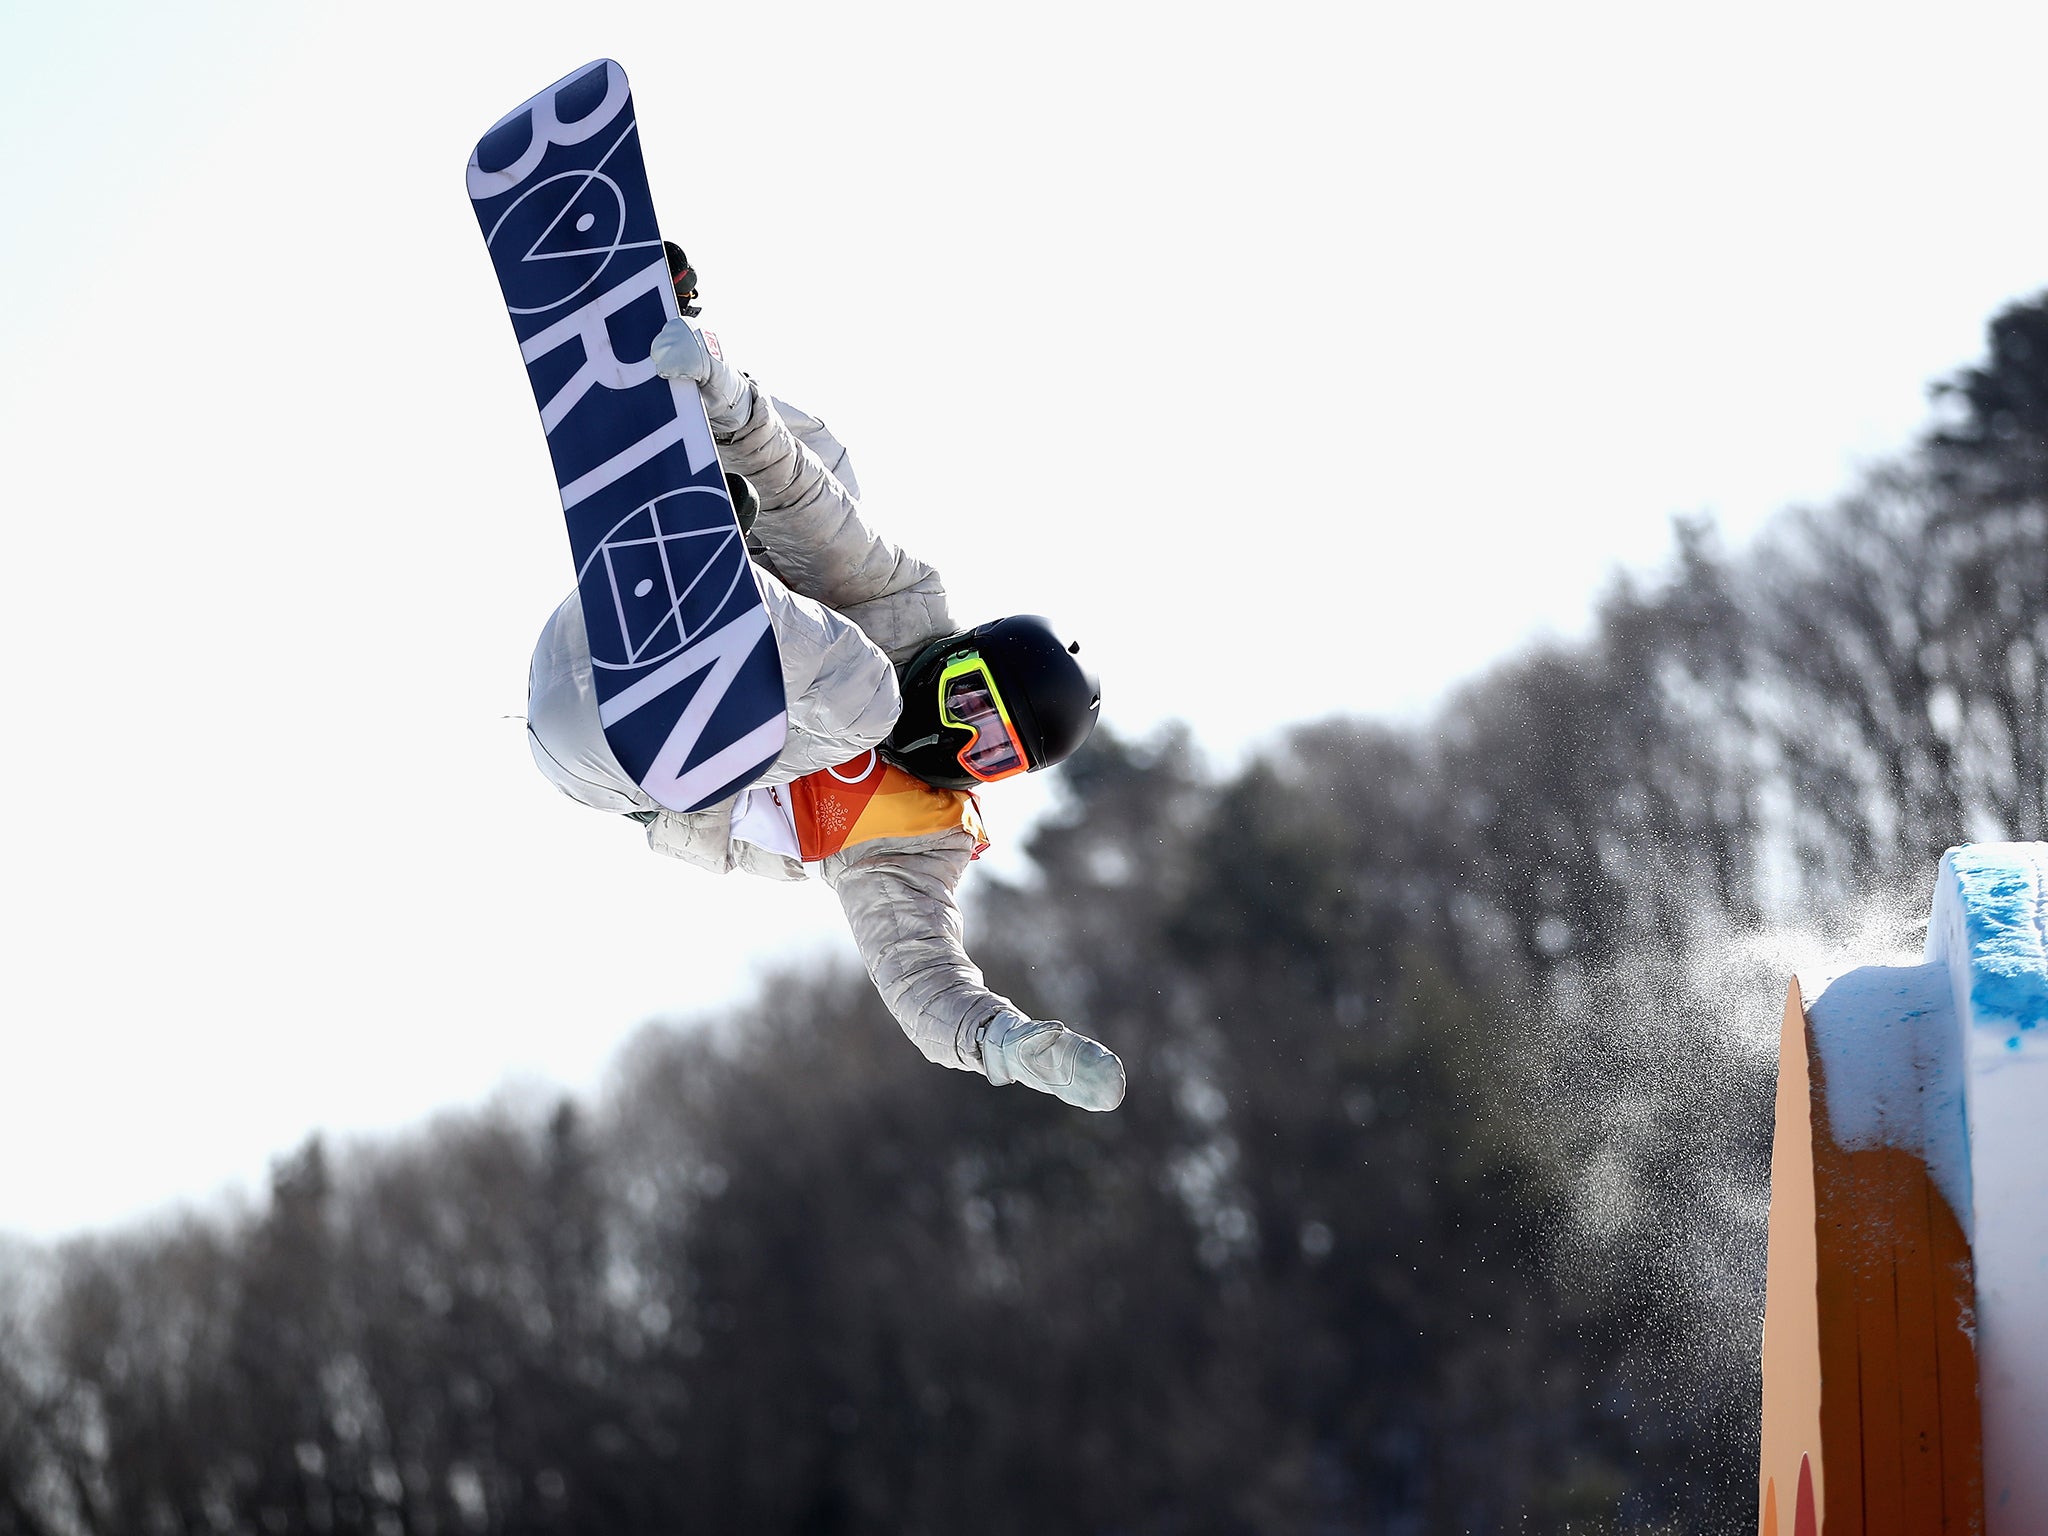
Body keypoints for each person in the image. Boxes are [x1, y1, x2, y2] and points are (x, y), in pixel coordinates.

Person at [523, 297, 1124, 1112]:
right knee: (833, 469)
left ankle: (716, 590)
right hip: (592, 631)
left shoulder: (917, 842)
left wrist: (1003, 1042)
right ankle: (684, 441)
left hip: (616, 758)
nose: (956, 739)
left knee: (868, 704)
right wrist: (723, 390)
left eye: (990, 754)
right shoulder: (900, 600)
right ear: (958, 652)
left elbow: (922, 978)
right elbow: (803, 497)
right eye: (969, 701)